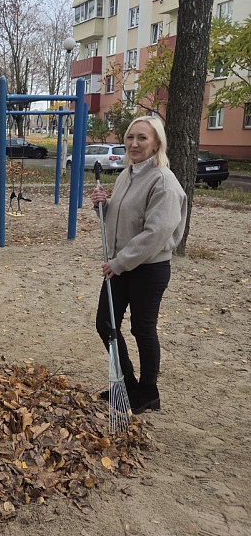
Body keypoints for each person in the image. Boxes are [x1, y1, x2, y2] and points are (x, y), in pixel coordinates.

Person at [90, 116, 187, 414]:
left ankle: (148, 392)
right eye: (130, 137)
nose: (134, 143)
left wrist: (119, 263)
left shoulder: (164, 182)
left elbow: (154, 235)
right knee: (105, 324)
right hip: (121, 265)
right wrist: (102, 205)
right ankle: (127, 383)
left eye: (142, 138)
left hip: (148, 269)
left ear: (157, 143)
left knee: (142, 330)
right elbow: (119, 223)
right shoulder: (127, 174)